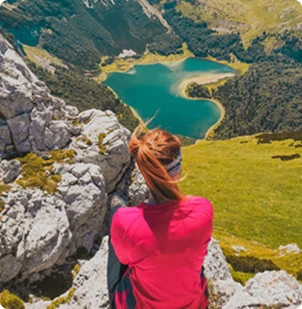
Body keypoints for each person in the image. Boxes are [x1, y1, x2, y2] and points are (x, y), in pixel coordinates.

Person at [107, 126, 214, 309]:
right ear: (178, 167)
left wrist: (118, 212)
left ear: (144, 171)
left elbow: (125, 261)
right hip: (195, 304)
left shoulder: (126, 221)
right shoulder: (203, 210)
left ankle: (116, 202)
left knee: (116, 214)